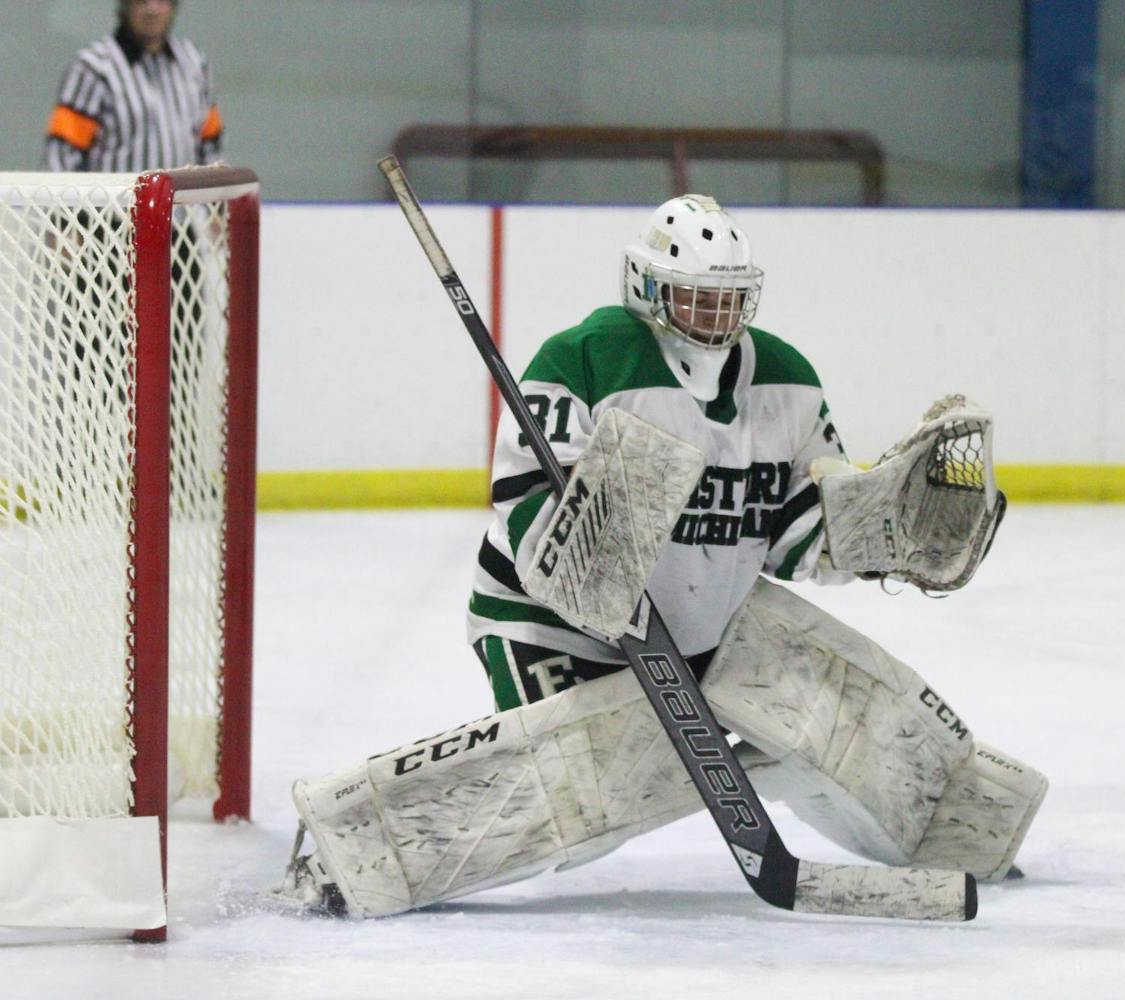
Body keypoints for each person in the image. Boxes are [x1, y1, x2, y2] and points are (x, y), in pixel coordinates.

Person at [272, 194, 1047, 918]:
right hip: (548, 622)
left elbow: (793, 532)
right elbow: (520, 493)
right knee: (580, 793)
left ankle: (963, 829)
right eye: (696, 297)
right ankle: (355, 854)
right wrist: (585, 563)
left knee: (831, 713)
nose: (716, 316)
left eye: (729, 299)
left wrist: (877, 536)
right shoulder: (585, 357)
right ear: (646, 287)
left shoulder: (788, 381)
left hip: (705, 623)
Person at [44, 0, 221, 172]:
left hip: (183, 193)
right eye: (142, 1)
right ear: (125, 5)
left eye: (161, 1)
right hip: (116, 193)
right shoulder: (94, 68)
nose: (152, 9)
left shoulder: (193, 63)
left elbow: (211, 148)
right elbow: (60, 156)